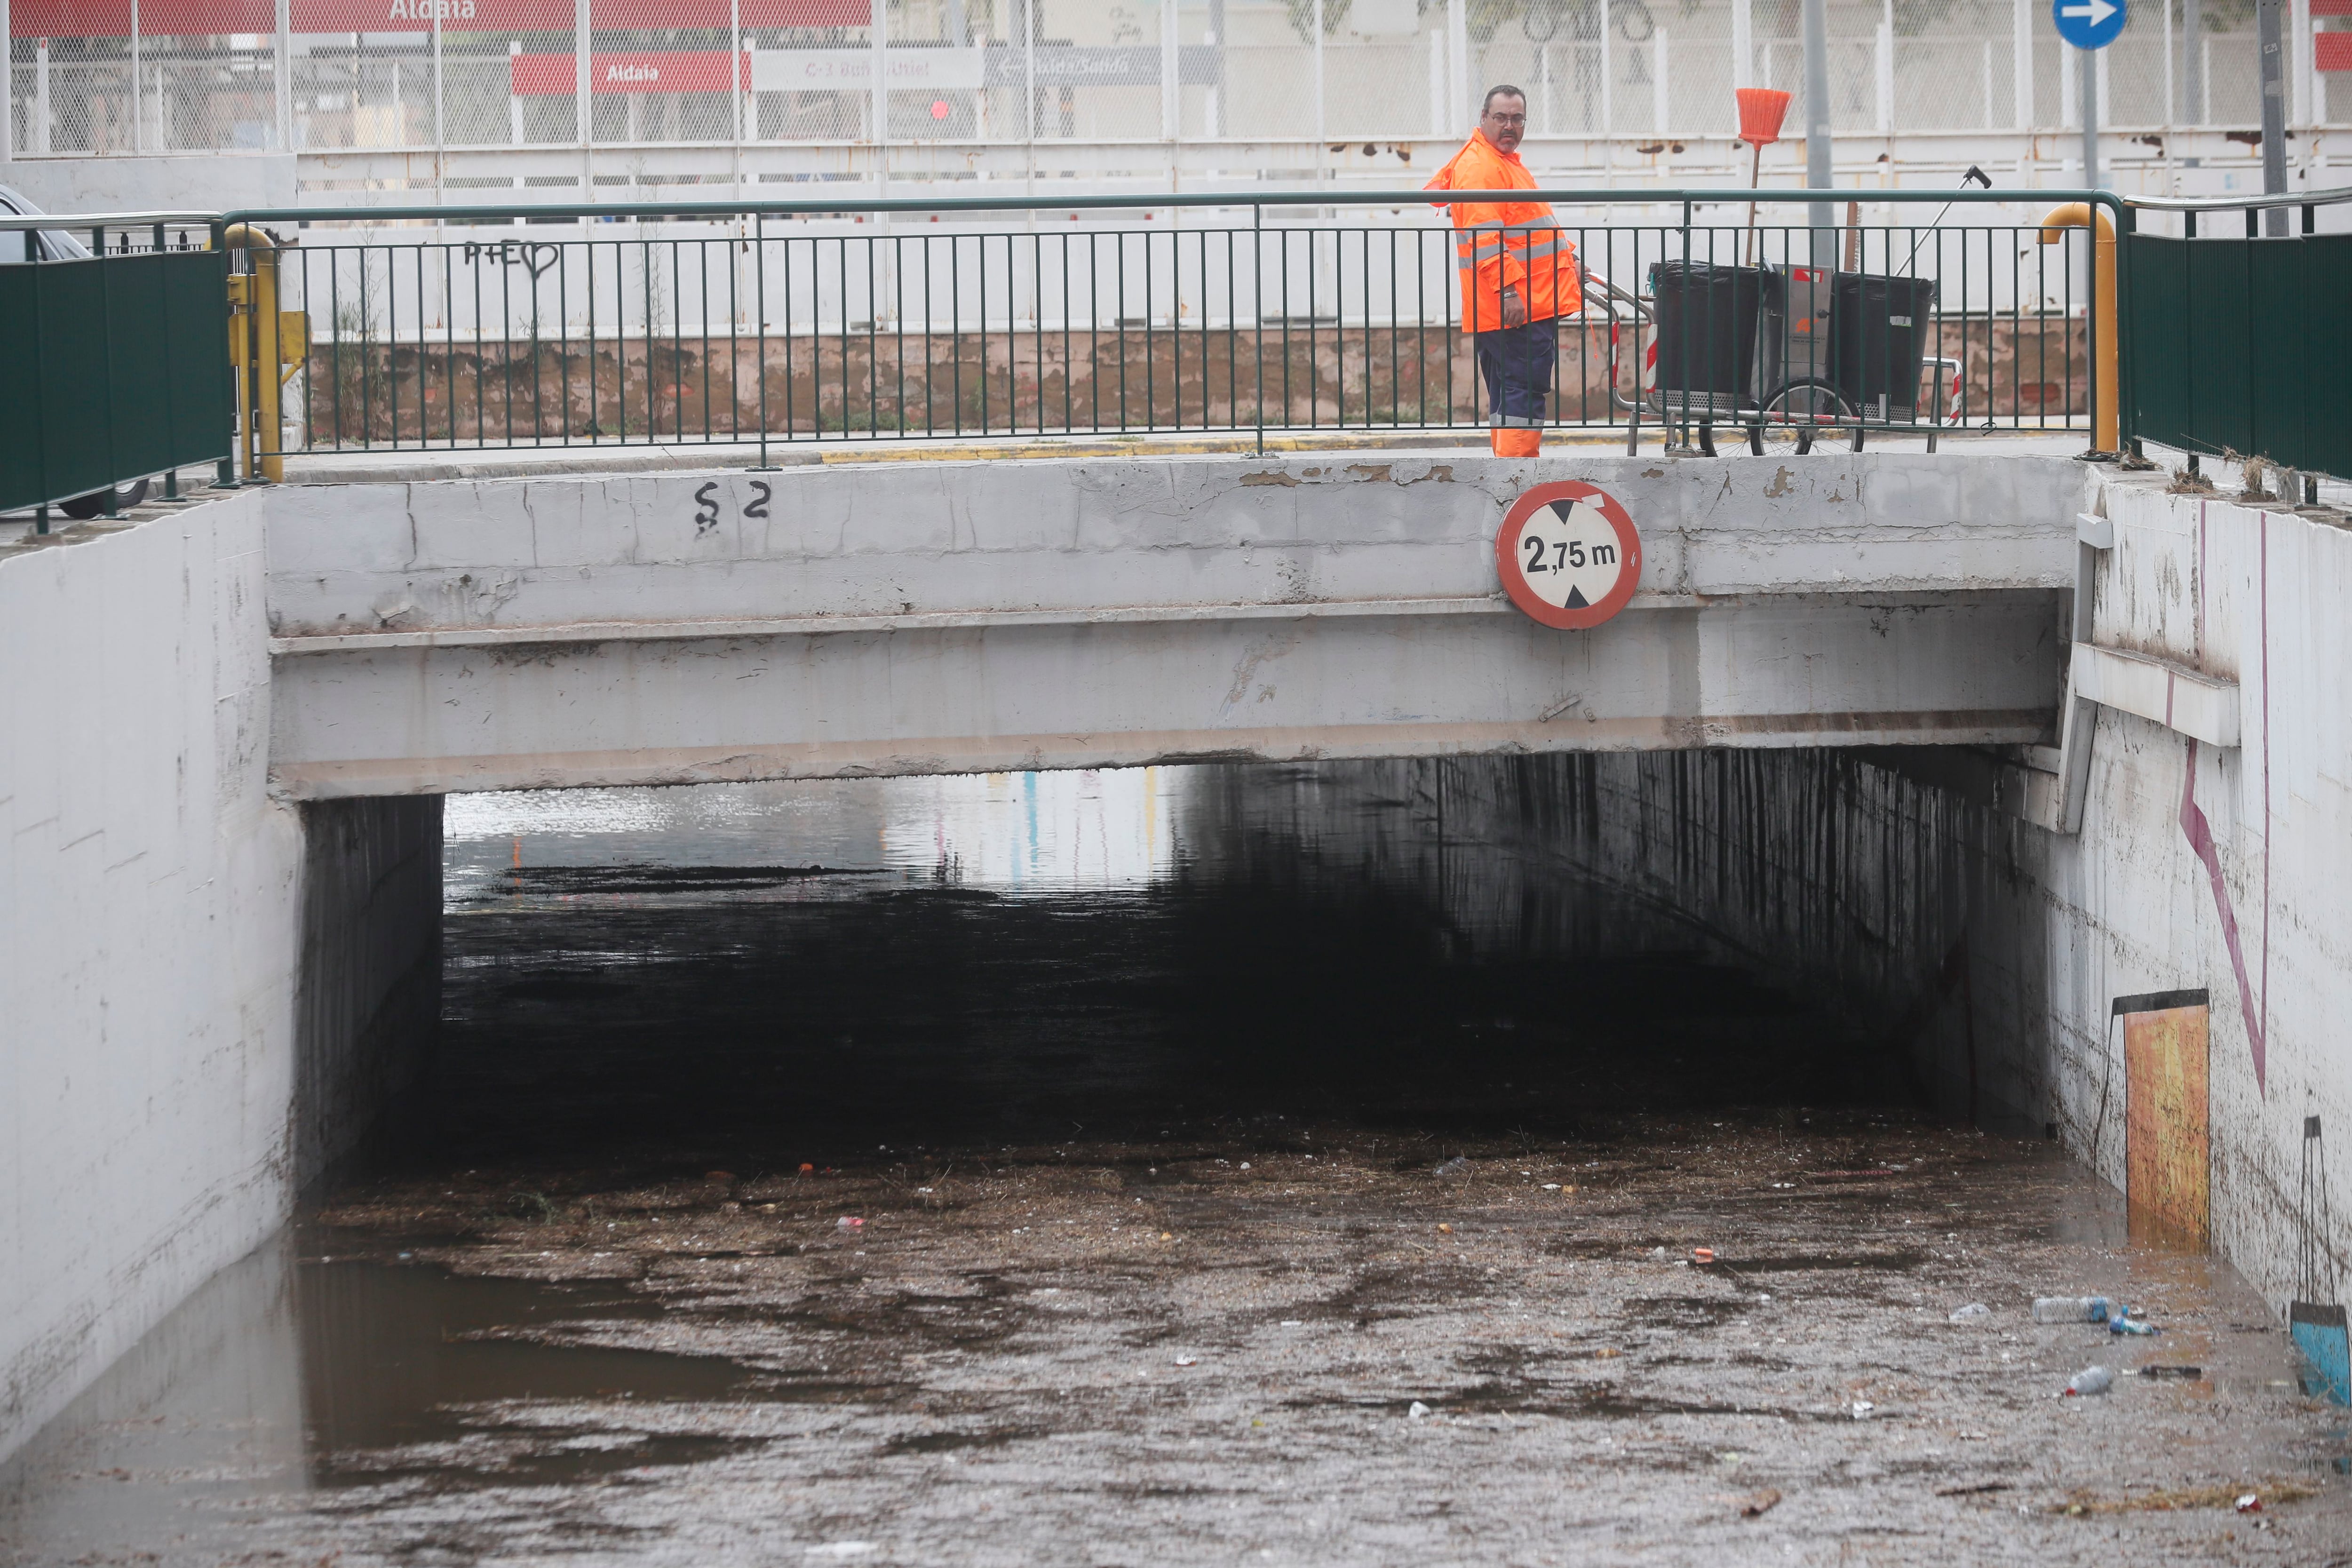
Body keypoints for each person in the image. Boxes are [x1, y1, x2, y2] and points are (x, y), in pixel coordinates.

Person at [1425, 85, 1580, 457]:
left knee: (1508, 389)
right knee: (1522, 391)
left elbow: (1533, 227)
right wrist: (1510, 292)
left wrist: (1570, 261)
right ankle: (1518, 478)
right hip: (1517, 306)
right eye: (1501, 118)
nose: (1509, 126)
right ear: (1483, 119)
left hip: (1518, 304)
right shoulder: (1483, 168)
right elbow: (1485, 238)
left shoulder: (1502, 162)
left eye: (1517, 118)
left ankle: (1507, 478)